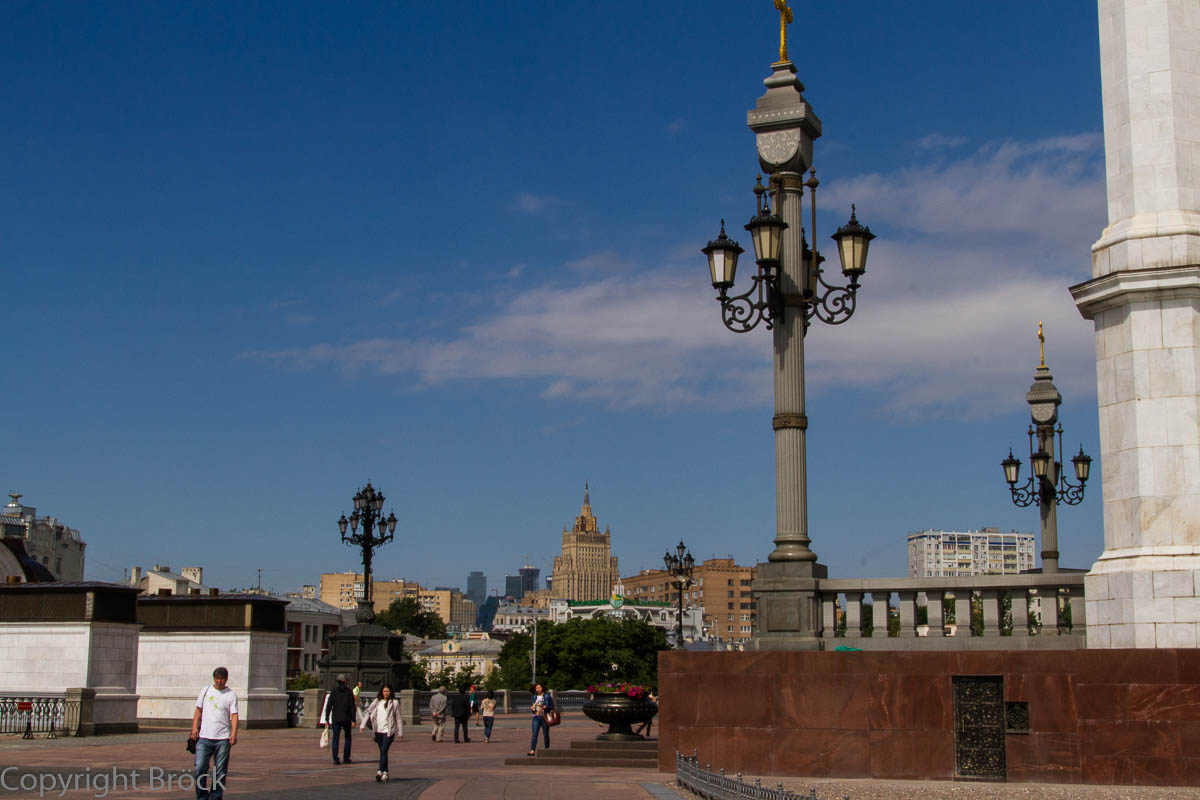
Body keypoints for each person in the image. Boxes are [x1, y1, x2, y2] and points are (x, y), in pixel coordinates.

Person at [191, 666, 238, 800]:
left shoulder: (231, 695)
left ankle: (215, 797)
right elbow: (198, 710)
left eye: (221, 679)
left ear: (226, 679)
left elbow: (234, 715)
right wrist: (194, 728)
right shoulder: (206, 691)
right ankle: (202, 796)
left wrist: (234, 733)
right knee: (200, 768)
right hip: (204, 737)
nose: (219, 681)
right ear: (214, 678)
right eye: (217, 679)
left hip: (223, 738)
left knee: (220, 771)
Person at [359, 684, 402, 782]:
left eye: (387, 691)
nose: (386, 693)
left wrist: (400, 732)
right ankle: (385, 773)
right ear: (381, 692)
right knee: (383, 752)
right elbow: (368, 712)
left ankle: (379, 771)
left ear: (390, 692)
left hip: (388, 731)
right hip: (378, 731)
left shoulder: (394, 702)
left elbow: (398, 718)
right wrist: (362, 725)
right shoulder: (377, 701)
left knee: (383, 750)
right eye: (384, 691)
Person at [321, 674, 356, 764]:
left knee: (335, 739)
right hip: (346, 718)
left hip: (336, 718)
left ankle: (335, 758)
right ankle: (346, 758)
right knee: (347, 738)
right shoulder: (349, 692)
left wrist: (327, 718)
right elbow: (352, 707)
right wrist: (354, 719)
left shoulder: (333, 692)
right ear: (345, 681)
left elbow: (329, 706)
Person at [528, 682, 554, 756]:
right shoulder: (534, 697)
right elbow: (533, 708)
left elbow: (552, 706)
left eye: (539, 687)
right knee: (534, 734)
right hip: (536, 717)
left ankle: (547, 749)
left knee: (545, 734)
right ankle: (532, 750)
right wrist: (532, 708)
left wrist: (546, 707)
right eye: (536, 688)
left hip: (544, 717)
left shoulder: (547, 696)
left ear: (542, 688)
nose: (538, 689)